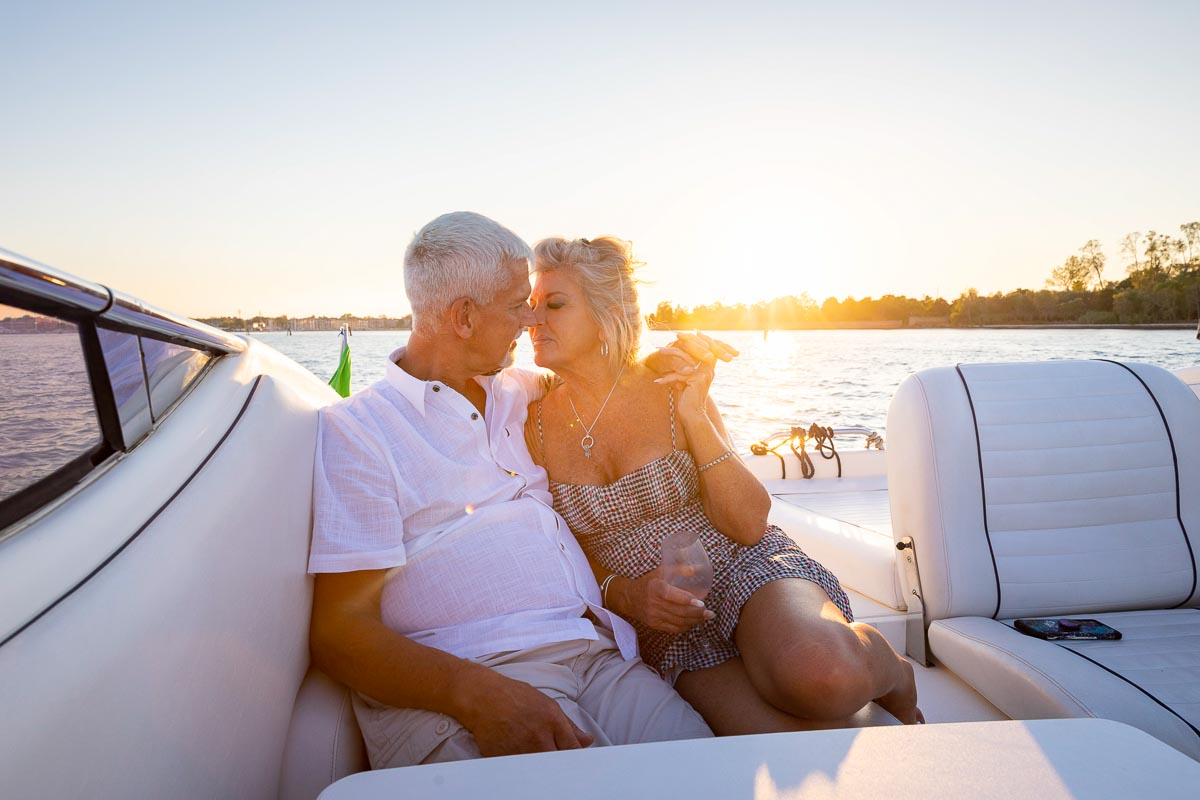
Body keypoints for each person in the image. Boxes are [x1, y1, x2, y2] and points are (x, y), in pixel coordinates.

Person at [307, 213, 712, 770]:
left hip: (596, 656)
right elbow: (338, 633)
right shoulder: (362, 431)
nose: (530, 319)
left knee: (713, 771)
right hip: (470, 675)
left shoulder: (520, 389)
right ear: (465, 317)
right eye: (518, 303)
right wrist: (478, 696)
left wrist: (655, 366)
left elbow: (599, 377)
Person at [523, 236, 922, 734]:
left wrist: (694, 411)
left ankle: (892, 670)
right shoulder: (529, 423)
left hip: (746, 568)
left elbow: (749, 523)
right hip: (663, 622)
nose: (531, 320)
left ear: (608, 314)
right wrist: (626, 594)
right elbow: (559, 548)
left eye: (554, 304)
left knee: (825, 679)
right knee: (782, 746)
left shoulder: (672, 386)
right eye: (530, 305)